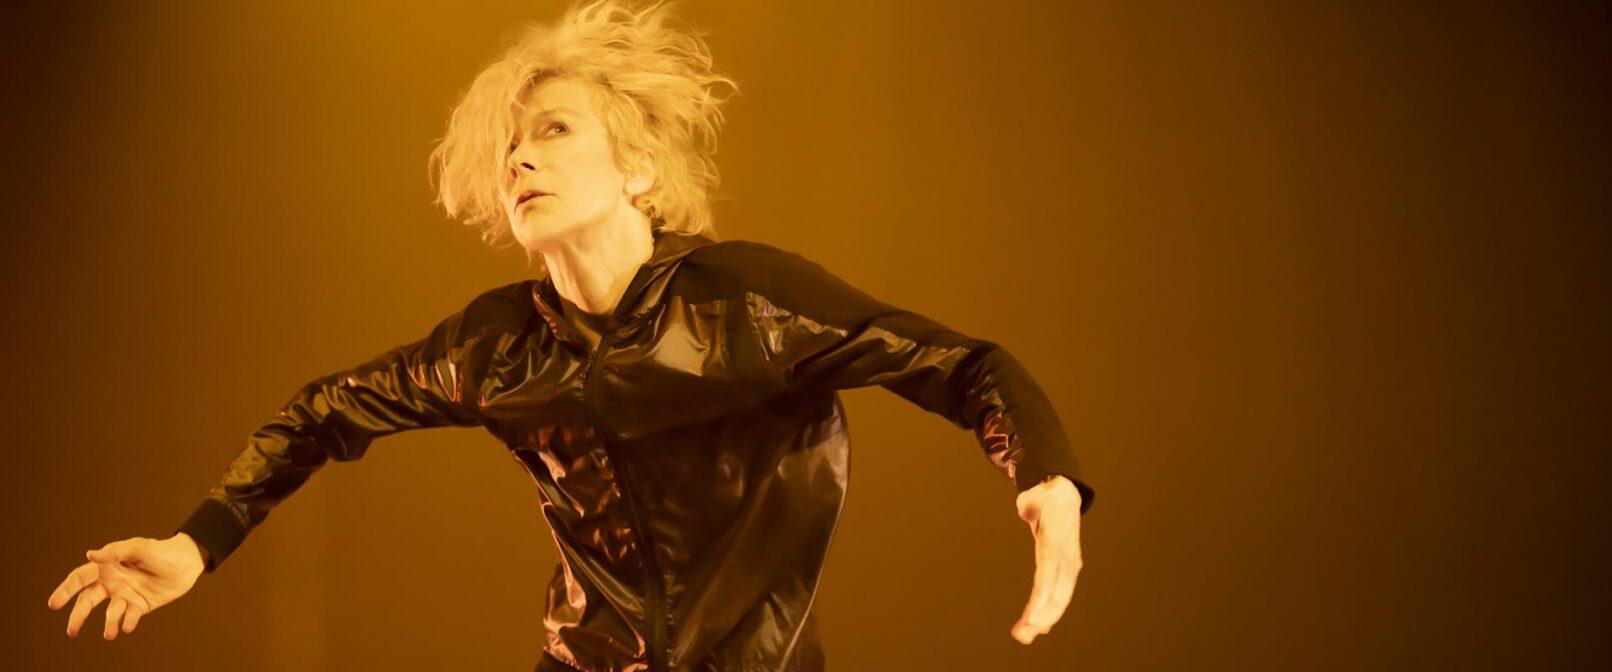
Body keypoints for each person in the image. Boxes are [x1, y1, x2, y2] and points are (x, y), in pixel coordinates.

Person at [46, 1, 1095, 669]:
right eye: (510, 145)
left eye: (553, 131)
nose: (520, 159)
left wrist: (1044, 476)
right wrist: (195, 544)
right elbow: (322, 413)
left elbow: (960, 364)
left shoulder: (746, 301)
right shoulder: (496, 346)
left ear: (637, 167)